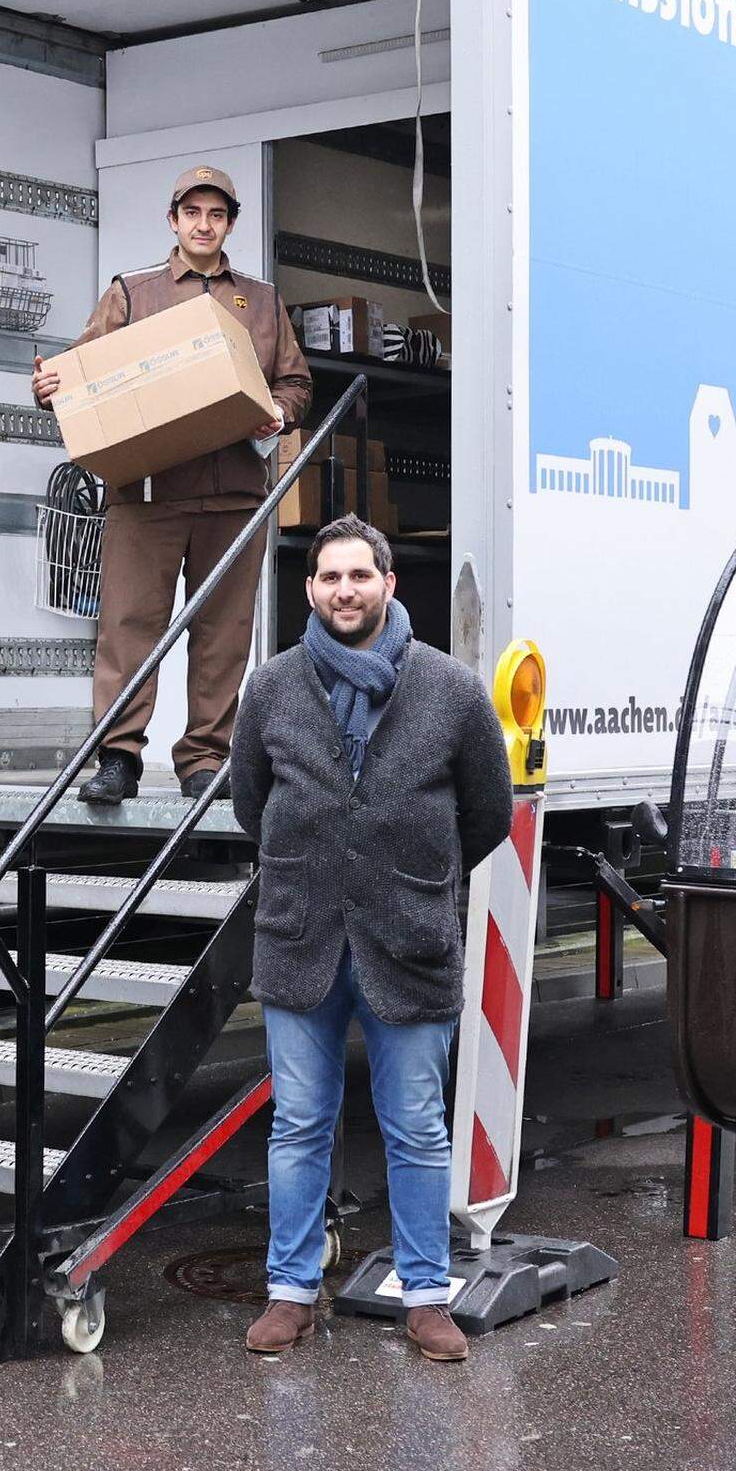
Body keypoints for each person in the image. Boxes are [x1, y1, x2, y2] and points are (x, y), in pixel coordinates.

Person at [224, 518, 512, 1362]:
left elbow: (486, 813)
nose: (343, 590)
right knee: (300, 1125)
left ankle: (426, 1297)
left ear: (389, 583)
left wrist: (415, 872)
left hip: (409, 938)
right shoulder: (272, 688)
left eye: (359, 575)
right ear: (309, 590)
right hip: (299, 937)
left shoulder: (451, 691)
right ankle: (290, 1292)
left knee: (416, 1126)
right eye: (327, 578)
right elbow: (250, 801)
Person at [35, 164, 315, 805]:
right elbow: (82, 374)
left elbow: (295, 382)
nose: (204, 224)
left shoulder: (262, 300)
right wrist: (48, 389)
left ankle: (205, 760)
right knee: (130, 625)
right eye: (193, 212)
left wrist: (282, 410)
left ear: (230, 225)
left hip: (235, 495)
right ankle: (118, 757)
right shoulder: (132, 293)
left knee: (224, 632)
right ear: (174, 220)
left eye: (216, 215)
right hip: (148, 493)